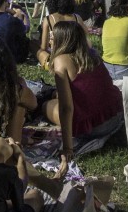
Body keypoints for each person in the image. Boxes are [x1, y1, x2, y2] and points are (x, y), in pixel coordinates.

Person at [44, 21, 123, 161]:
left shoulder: (61, 60)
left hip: (94, 128)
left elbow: (66, 108)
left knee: (47, 106)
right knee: (57, 95)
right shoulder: (92, 55)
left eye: (52, 35)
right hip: (115, 116)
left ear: (62, 39)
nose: (50, 37)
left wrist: (68, 148)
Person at [36, 0, 87, 67]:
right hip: (77, 57)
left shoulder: (49, 19)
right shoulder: (77, 18)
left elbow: (44, 47)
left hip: (58, 60)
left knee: (35, 46)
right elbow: (85, 39)